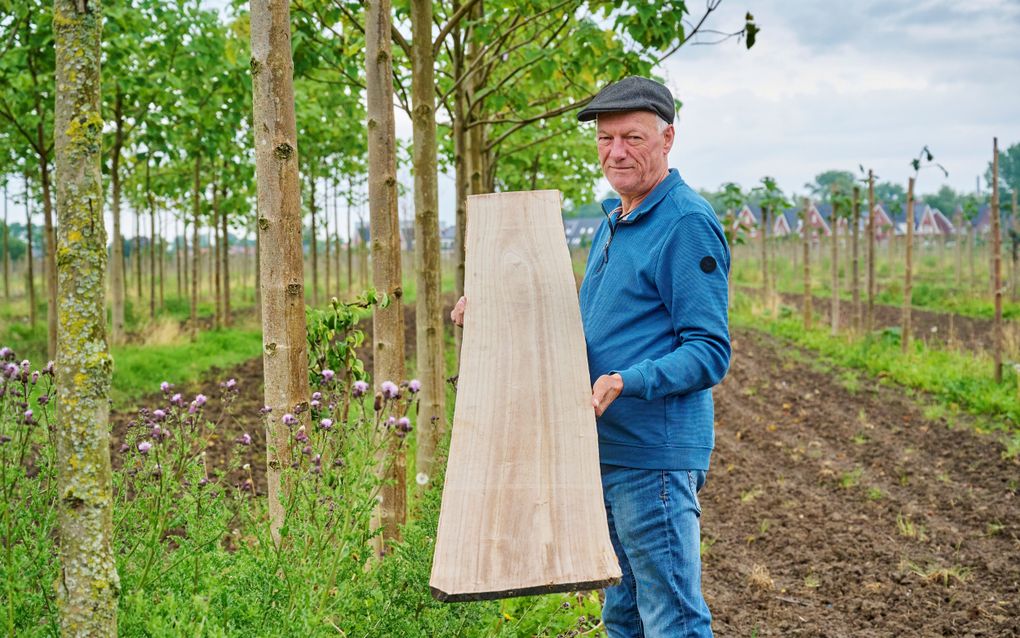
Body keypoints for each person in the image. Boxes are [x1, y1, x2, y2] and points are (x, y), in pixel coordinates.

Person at [451, 76, 730, 638]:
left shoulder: (685, 223)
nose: (616, 151)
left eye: (632, 137)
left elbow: (709, 351)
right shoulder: (616, 220)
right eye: (606, 139)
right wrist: (495, 321)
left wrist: (629, 380)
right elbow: (583, 330)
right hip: (604, 449)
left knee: (671, 614)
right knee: (623, 614)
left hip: (653, 456)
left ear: (668, 137)